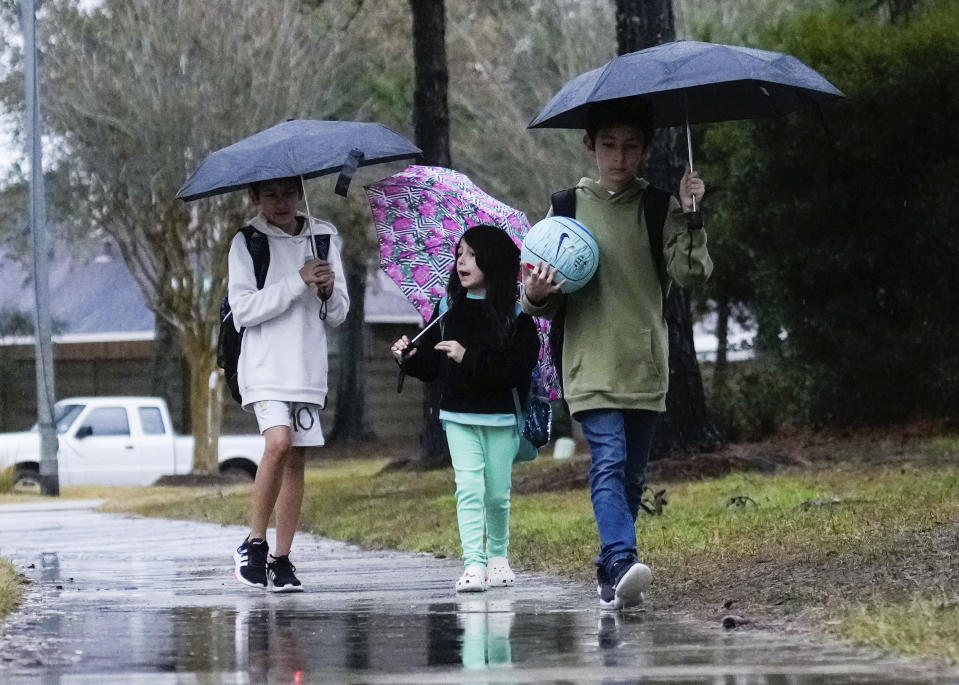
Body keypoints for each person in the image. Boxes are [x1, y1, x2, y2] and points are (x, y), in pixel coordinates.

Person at [521, 100, 712, 610]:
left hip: (645, 364)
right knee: (609, 461)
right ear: (591, 146)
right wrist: (537, 292)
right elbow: (537, 302)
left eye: (631, 147)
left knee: (630, 475)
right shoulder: (564, 209)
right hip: (588, 363)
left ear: (645, 151)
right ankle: (624, 557)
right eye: (609, 144)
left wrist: (693, 216)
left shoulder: (660, 209)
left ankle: (611, 571)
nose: (619, 156)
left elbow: (692, 275)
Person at [392, 225, 540, 593]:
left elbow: (514, 368)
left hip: (502, 416)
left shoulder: (516, 315)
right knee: (469, 488)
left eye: (472, 254)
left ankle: (498, 557)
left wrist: (467, 356)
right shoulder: (447, 309)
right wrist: (408, 357)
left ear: (494, 260)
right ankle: (473, 564)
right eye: (459, 253)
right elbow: (431, 365)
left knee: (497, 493)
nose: (462, 260)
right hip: (458, 415)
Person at [229, 176, 349, 592]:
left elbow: (337, 314)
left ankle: (281, 560)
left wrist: (329, 290)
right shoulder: (248, 242)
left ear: (299, 194)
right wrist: (297, 281)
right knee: (277, 443)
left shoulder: (324, 237)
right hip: (264, 368)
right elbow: (243, 310)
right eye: (269, 195)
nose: (279, 203)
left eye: (286, 193)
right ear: (255, 198)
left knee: (296, 459)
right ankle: (254, 543)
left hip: (306, 369)